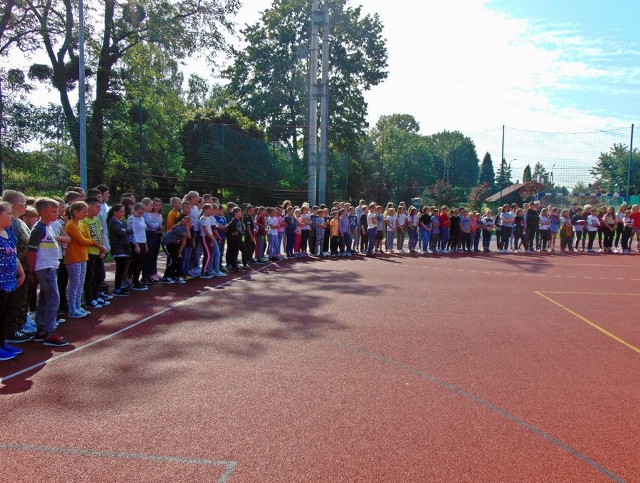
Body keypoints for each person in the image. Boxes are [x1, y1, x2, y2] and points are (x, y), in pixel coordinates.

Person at [28, 198, 69, 347]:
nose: (57, 213)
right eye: (54, 211)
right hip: (44, 268)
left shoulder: (49, 226)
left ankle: (41, 330)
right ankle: (50, 333)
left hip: (50, 267)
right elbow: (32, 252)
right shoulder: (39, 228)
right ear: (43, 212)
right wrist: (32, 272)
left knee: (46, 299)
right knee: (53, 299)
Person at [64, 201, 106, 317]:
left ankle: (78, 307)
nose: (85, 214)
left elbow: (87, 238)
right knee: (75, 283)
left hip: (83, 256)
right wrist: (92, 242)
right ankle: (72, 309)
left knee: (80, 283)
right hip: (73, 257)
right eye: (83, 212)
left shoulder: (81, 224)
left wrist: (91, 241)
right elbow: (82, 240)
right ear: (75, 212)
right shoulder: (71, 225)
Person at [0, 202, 27, 360]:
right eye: (8, 214)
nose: (11, 216)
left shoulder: (9, 233)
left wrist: (21, 273)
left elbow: (13, 255)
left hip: (10, 282)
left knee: (5, 315)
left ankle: (2, 342)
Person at [82, 196, 111, 309]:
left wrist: (101, 250)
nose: (99, 209)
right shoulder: (84, 221)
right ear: (88, 207)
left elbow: (99, 235)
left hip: (98, 251)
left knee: (100, 275)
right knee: (90, 276)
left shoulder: (96, 219)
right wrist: (100, 248)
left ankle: (96, 295)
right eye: (97, 207)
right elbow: (88, 238)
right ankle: (89, 299)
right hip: (89, 252)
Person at [107, 204, 131, 296]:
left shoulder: (121, 221)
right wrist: (126, 230)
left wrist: (125, 230)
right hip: (118, 248)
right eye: (121, 211)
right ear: (115, 212)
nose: (123, 213)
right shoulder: (112, 221)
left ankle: (121, 286)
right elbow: (120, 232)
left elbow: (128, 230)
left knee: (123, 268)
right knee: (120, 268)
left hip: (124, 247)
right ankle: (117, 288)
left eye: (123, 211)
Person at [161, 217, 192, 283]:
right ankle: (166, 277)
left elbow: (184, 242)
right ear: (186, 223)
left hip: (173, 244)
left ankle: (177, 276)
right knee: (172, 260)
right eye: (190, 223)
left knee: (179, 259)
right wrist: (186, 226)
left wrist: (180, 253)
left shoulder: (184, 229)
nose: (192, 224)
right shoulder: (180, 229)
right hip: (166, 244)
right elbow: (189, 236)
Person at [128, 202, 149, 290]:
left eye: (142, 213)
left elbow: (143, 232)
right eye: (139, 212)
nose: (141, 214)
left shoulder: (142, 218)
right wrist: (136, 245)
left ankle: (136, 280)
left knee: (141, 262)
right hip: (135, 243)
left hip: (142, 242)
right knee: (136, 262)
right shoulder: (131, 219)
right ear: (135, 211)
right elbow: (132, 233)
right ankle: (134, 282)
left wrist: (146, 244)